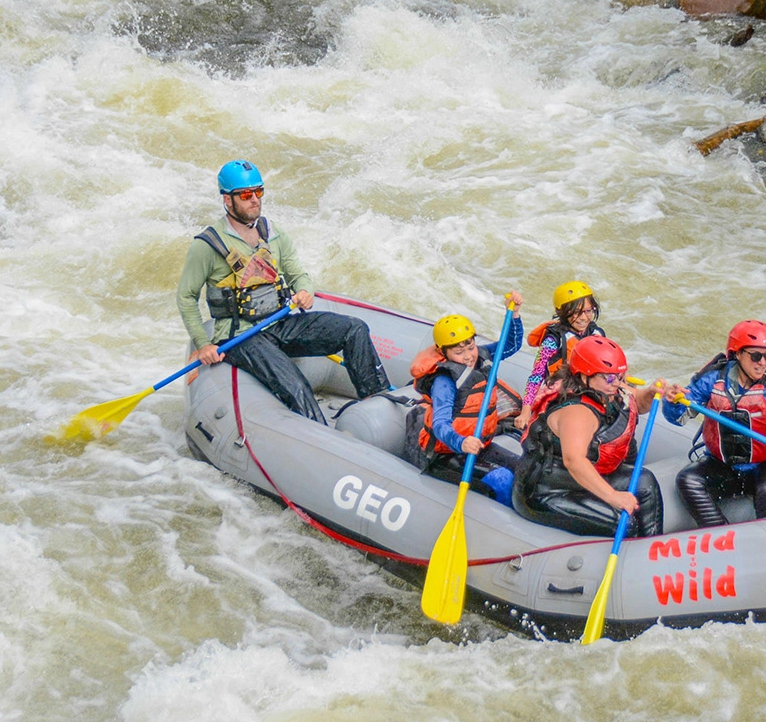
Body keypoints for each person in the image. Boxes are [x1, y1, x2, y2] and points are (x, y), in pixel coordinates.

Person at [176, 160, 390, 424]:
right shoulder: (207, 245)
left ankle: (378, 410)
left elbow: (298, 274)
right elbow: (186, 296)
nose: (254, 200)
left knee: (354, 329)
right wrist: (203, 343)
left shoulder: (272, 233)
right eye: (245, 195)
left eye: (259, 192)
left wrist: (304, 290)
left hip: (279, 323)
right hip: (240, 337)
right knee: (295, 383)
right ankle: (320, 437)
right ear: (227, 200)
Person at [662, 320, 766, 527]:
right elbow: (678, 417)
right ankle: (721, 535)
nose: (762, 362)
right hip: (724, 465)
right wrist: (673, 401)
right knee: (688, 481)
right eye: (756, 355)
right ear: (737, 353)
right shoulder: (712, 380)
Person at [511, 335, 666, 538]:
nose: (617, 383)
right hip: (549, 491)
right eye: (610, 377)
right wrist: (612, 497)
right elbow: (574, 460)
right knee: (624, 524)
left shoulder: (608, 389)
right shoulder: (577, 412)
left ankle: (653, 547)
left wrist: (651, 392)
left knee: (645, 481)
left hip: (583, 479)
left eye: (620, 377)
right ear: (585, 375)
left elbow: (637, 401)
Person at [410, 293, 525, 503]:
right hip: (446, 454)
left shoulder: (481, 355)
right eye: (459, 352)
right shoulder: (444, 382)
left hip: (481, 444)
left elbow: (510, 345)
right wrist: (461, 443)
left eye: (470, 347)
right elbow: (440, 425)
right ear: (443, 352)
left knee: (524, 470)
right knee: (501, 480)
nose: (468, 356)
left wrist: (515, 314)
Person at [516, 280, 607, 432]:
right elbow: (536, 376)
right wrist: (525, 412)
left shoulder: (597, 334)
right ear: (562, 313)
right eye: (576, 313)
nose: (584, 318)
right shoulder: (553, 341)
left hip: (590, 393)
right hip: (561, 397)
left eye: (588, 311)